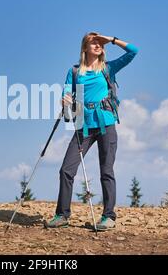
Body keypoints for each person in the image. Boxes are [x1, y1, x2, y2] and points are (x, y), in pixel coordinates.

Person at [45, 32, 139, 230]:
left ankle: (108, 216)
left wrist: (110, 39)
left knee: (106, 171)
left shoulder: (108, 68)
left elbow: (133, 51)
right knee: (66, 170)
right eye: (93, 42)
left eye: (100, 43)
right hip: (83, 126)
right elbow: (66, 91)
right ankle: (62, 215)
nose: (98, 45)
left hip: (106, 123)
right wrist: (65, 99)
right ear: (84, 48)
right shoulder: (74, 71)